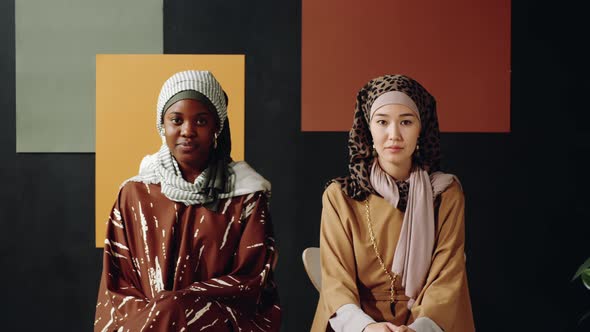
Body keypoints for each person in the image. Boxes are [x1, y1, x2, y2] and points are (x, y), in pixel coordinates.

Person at [94, 70, 280, 331]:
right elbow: (118, 285)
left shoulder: (246, 196)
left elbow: (252, 282)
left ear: (217, 126)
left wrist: (179, 307)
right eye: (176, 120)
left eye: (201, 121)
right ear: (163, 125)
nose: (187, 131)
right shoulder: (134, 195)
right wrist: (161, 315)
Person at [311, 75, 475, 332]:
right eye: (382, 122)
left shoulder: (445, 194)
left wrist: (417, 328)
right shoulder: (341, 196)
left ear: (421, 129)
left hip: (428, 323)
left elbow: (447, 277)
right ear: (368, 128)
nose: (394, 134)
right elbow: (336, 282)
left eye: (406, 122)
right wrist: (366, 328)